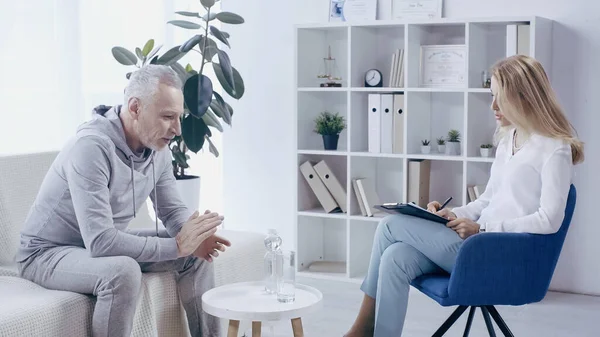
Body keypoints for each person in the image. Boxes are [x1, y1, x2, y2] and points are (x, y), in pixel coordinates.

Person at [343, 54, 585, 337]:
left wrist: (482, 228)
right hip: (474, 242)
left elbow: (549, 220)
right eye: (492, 96)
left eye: (500, 97)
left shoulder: (555, 148)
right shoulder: (509, 138)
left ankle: (361, 328)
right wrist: (455, 214)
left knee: (390, 225)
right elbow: (487, 200)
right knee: (395, 257)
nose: (493, 106)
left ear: (524, 96)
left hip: (496, 253)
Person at [16, 65, 228, 337]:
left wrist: (194, 237)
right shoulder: (91, 148)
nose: (176, 129)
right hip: (45, 253)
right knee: (123, 272)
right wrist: (177, 246)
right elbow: (102, 242)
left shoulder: (156, 147)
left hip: (95, 244)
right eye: (167, 117)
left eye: (178, 117)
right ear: (136, 108)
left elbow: (171, 210)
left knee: (197, 256)